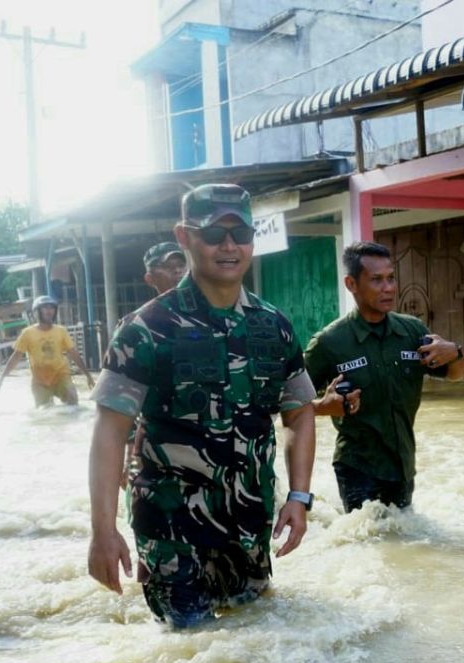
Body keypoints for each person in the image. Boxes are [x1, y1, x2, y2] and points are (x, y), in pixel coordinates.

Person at [87, 183, 317, 628]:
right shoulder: (146, 329)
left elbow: (300, 411)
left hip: (250, 521)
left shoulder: (274, 326)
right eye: (214, 234)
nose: (230, 246)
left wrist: (299, 496)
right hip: (173, 528)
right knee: (191, 646)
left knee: (250, 640)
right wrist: (103, 529)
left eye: (241, 233)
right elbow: (109, 432)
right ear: (185, 236)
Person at [304, 241, 464, 512]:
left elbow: (455, 376)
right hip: (357, 467)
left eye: (391, 278)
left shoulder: (412, 332)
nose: (388, 287)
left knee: (402, 543)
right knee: (370, 542)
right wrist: (323, 407)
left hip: (403, 465)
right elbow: (287, 408)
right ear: (351, 284)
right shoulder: (329, 343)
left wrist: (456, 353)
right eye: (376, 280)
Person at [122, 241, 189, 484]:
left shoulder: (219, 317)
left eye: (181, 264)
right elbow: (122, 402)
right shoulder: (138, 327)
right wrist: (129, 454)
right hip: (156, 454)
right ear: (149, 278)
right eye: (168, 266)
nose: (178, 271)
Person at [0, 295, 94, 406]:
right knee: (45, 415)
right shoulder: (27, 333)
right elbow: (16, 357)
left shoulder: (61, 331)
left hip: (61, 376)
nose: (49, 311)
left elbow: (74, 354)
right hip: (39, 381)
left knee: (73, 404)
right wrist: (1, 379)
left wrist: (88, 375)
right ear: (37, 312)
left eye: (51, 308)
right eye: (45, 307)